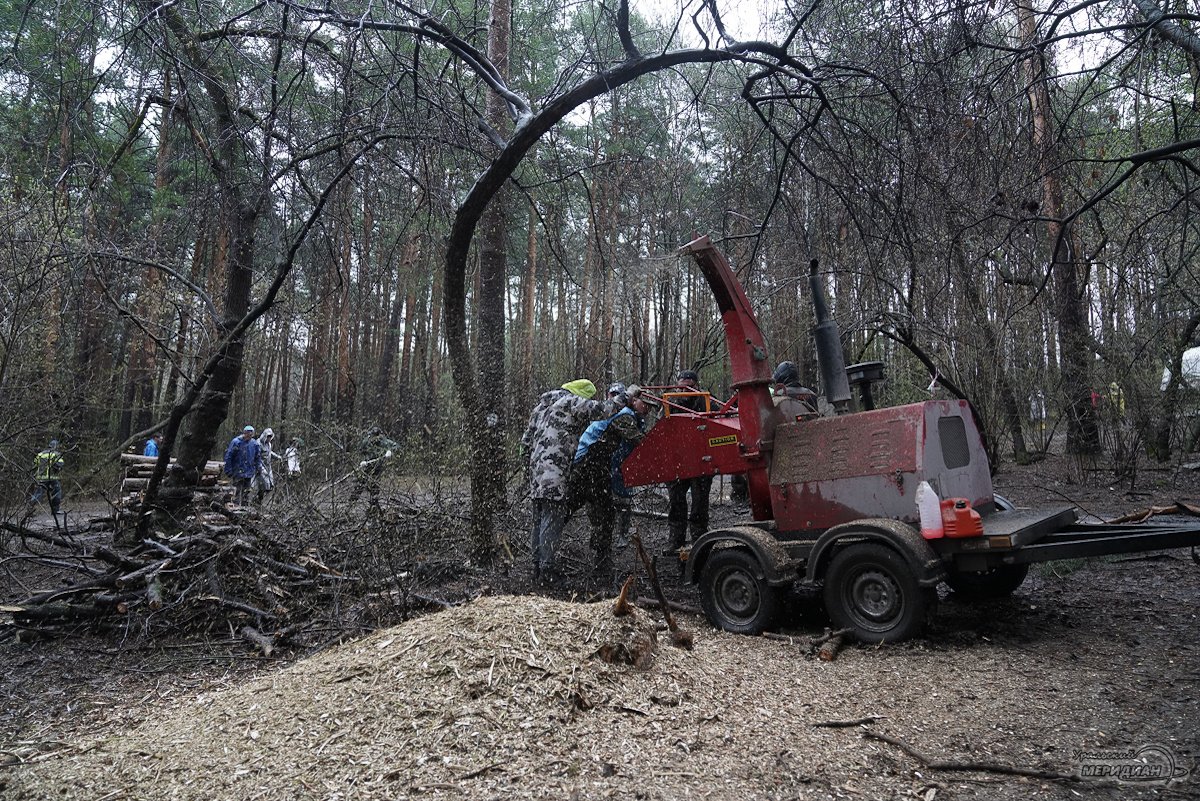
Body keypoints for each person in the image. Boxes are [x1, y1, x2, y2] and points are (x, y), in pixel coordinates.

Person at [521, 379, 621, 587]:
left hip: (536, 472)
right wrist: (626, 397)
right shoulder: (570, 402)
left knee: (538, 519)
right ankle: (548, 573)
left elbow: (525, 442)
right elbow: (604, 410)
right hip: (555, 473)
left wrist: (528, 469)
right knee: (552, 520)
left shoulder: (541, 406)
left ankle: (537, 568)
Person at [566, 384, 650, 580]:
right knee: (593, 511)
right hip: (588, 466)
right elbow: (638, 441)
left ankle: (600, 560)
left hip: (595, 467)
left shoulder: (629, 416)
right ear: (633, 400)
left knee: (601, 512)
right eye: (644, 403)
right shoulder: (624, 415)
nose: (647, 409)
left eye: (651, 407)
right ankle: (548, 558)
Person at [665, 369, 714, 552]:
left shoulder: (708, 401)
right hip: (678, 462)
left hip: (701, 460)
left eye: (688, 388)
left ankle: (699, 539)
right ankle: (676, 540)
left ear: (696, 386)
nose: (684, 393)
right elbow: (662, 430)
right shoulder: (670, 403)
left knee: (700, 503)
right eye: (681, 389)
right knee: (676, 501)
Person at [350, 426, 399, 508]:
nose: (375, 438)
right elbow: (360, 452)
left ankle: (374, 508)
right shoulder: (366, 442)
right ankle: (351, 504)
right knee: (359, 486)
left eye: (377, 436)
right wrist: (362, 461)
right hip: (366, 468)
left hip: (377, 469)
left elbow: (397, 445)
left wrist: (390, 451)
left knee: (374, 489)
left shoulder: (384, 442)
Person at [29, 440, 64, 527]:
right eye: (58, 445)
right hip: (51, 478)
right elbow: (60, 464)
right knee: (57, 491)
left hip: (40, 478)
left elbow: (35, 464)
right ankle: (55, 510)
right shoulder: (55, 454)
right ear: (56, 446)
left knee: (38, 493)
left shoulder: (40, 454)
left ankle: (29, 510)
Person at [224, 425, 262, 507]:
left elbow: (257, 457)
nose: (250, 436)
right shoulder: (236, 442)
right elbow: (229, 456)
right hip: (237, 472)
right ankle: (235, 509)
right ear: (245, 433)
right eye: (249, 434)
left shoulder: (254, 443)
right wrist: (228, 470)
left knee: (246, 493)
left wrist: (259, 468)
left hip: (249, 472)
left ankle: (245, 510)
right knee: (236, 493)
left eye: (252, 435)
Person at [252, 428, 282, 503]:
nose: (269, 438)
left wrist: (277, 457)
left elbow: (269, 452)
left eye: (270, 437)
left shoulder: (269, 444)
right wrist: (260, 468)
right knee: (264, 484)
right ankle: (257, 500)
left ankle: (259, 500)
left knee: (269, 485)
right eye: (268, 436)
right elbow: (256, 457)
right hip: (260, 466)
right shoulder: (258, 444)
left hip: (268, 466)